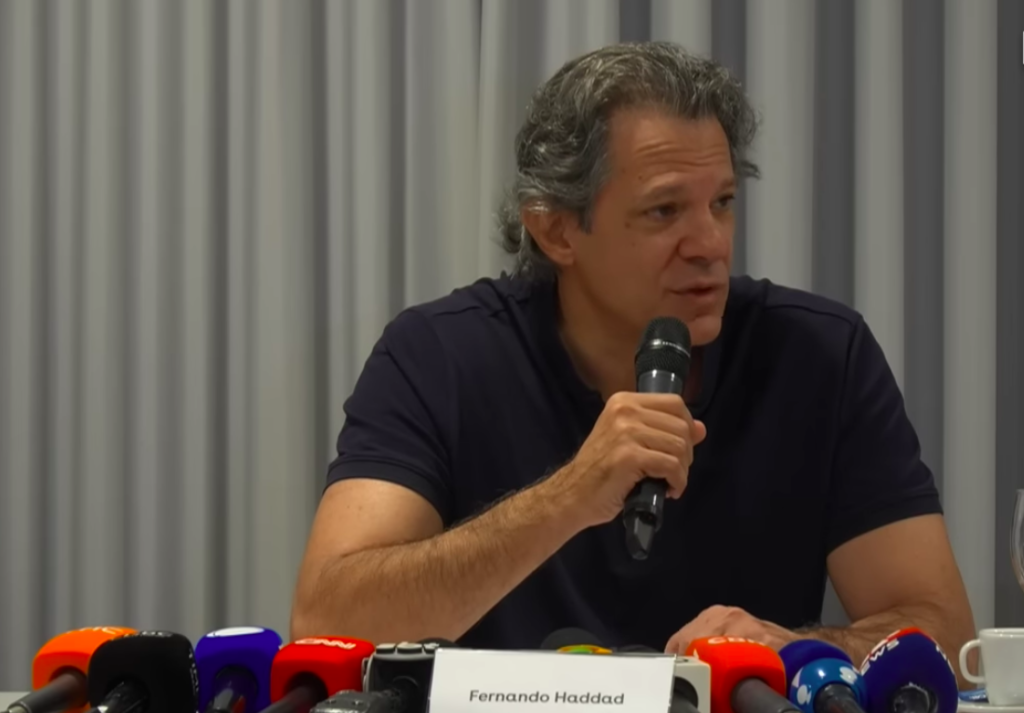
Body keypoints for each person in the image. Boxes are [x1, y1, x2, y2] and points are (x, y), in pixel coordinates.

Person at [290, 41, 976, 678]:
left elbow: (947, 633)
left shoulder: (821, 354)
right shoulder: (438, 355)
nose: (710, 243)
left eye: (722, 203)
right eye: (664, 211)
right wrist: (569, 495)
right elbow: (326, 622)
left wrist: (796, 647)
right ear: (556, 229)